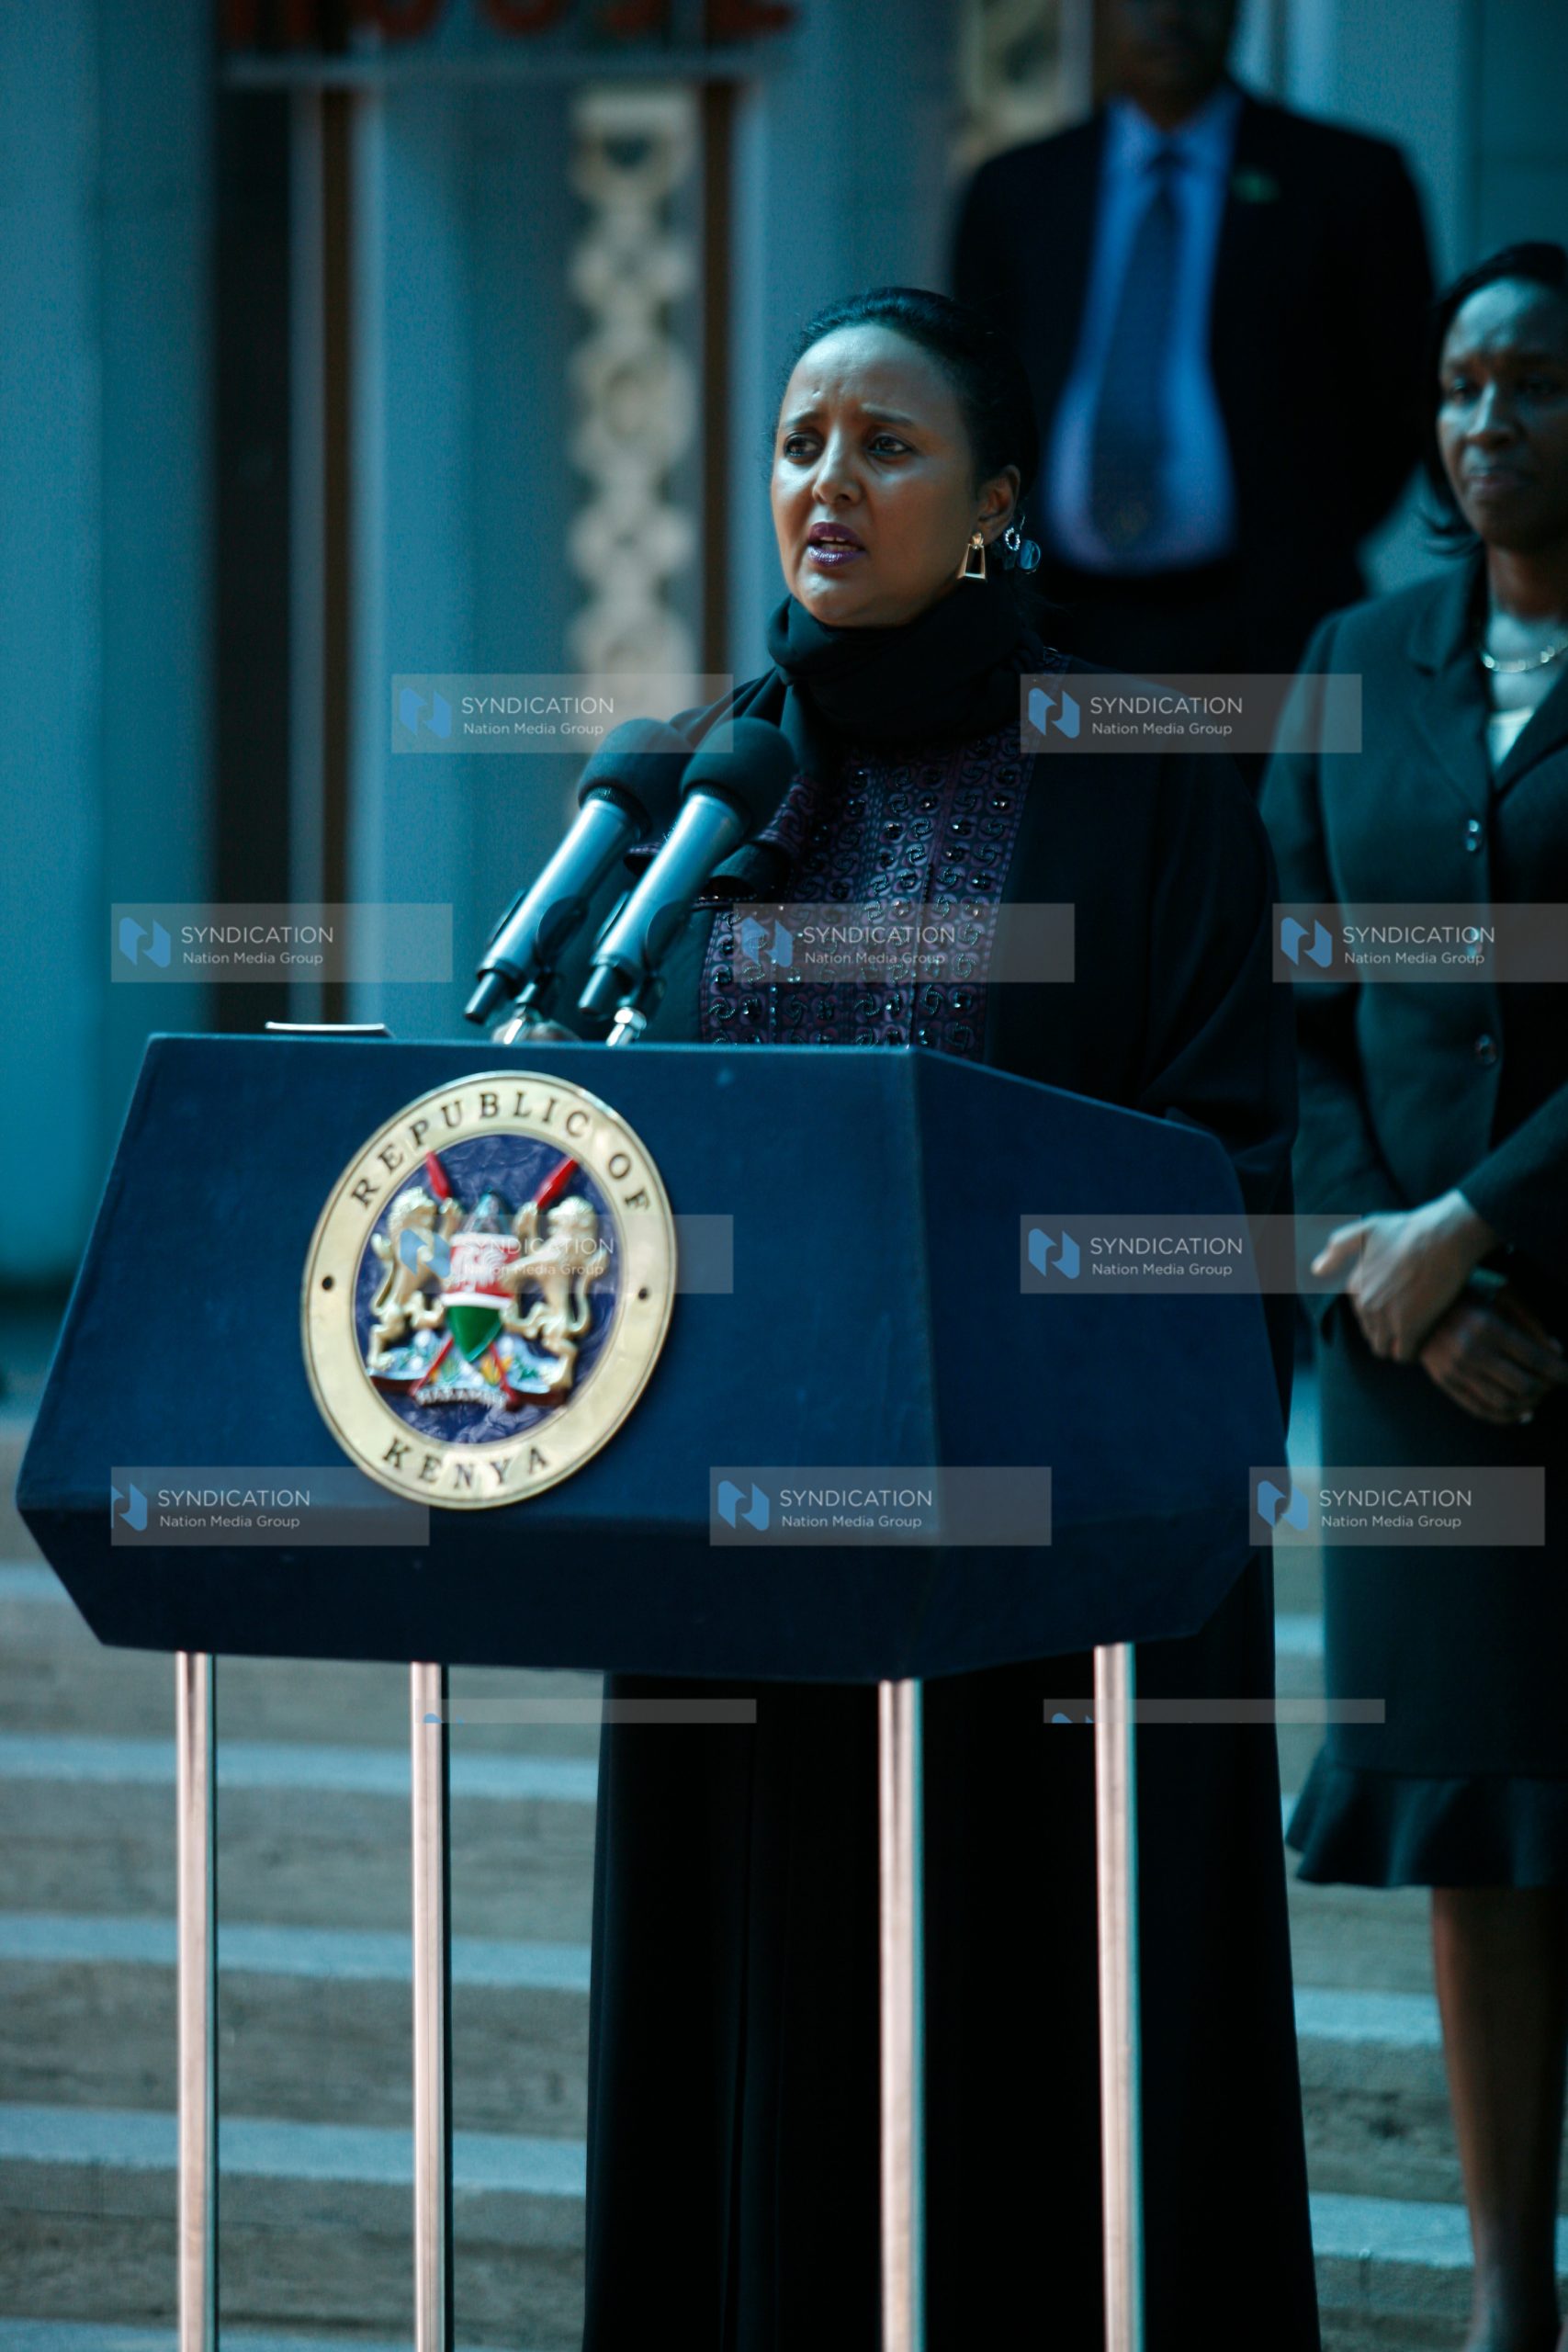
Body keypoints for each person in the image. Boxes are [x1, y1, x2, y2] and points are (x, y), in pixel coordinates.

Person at [578, 286, 1318, 2348]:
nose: (828, 481)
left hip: (1040, 1568)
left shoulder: (1137, 777)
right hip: (724, 1542)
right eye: (800, 441)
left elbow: (1222, 1164)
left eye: (887, 446)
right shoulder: (691, 789)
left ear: (995, 503)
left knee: (1030, 2064)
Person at [1262, 243, 1568, 2352]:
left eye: (1531, 384)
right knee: (1477, 1819)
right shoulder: (1351, 660)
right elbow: (1289, 1016)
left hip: (1538, 1285)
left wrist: (1475, 1214)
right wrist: (1387, 1254)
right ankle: (1500, 2288)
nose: (1482, 423)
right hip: (1403, 1345)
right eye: (1458, 386)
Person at [952, 0, 1433, 697]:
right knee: (1073, 773)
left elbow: (1400, 404)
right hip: (1057, 622)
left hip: (1271, 630)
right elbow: (974, 402)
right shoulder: (1013, 190)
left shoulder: (1350, 181)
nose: (1171, 14)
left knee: (1270, 776)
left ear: (1239, 10)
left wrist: (1302, 539)